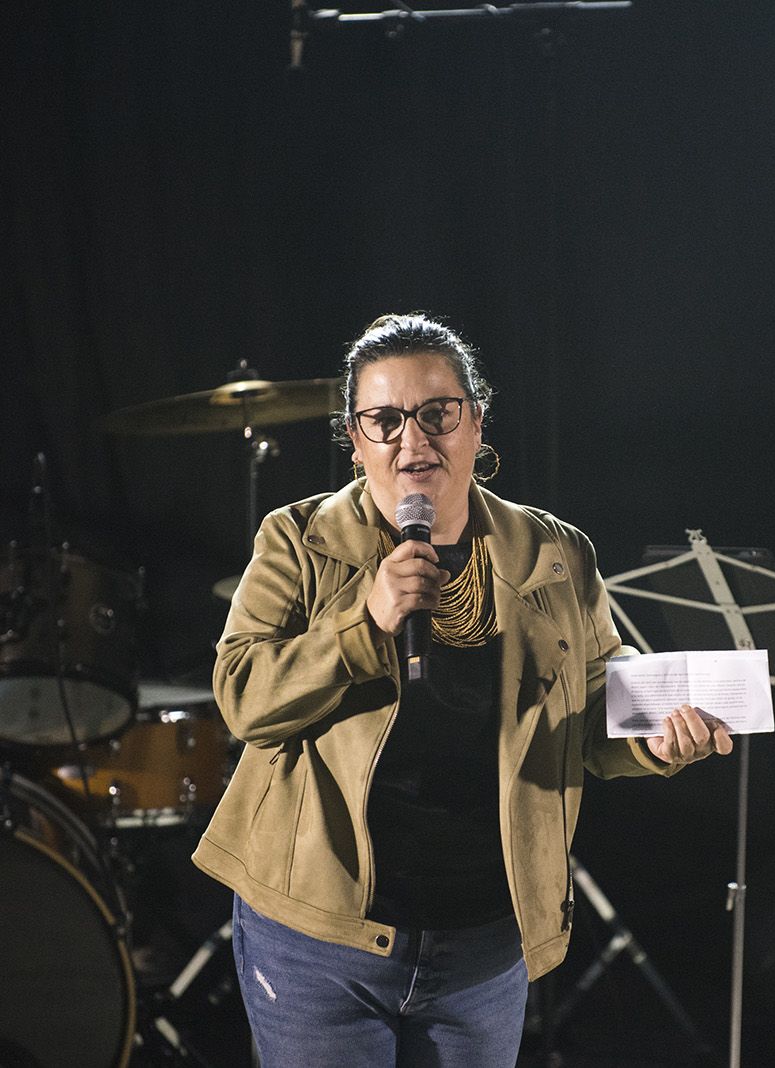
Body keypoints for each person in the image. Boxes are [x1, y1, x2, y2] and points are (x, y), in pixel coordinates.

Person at [193, 313, 733, 1066]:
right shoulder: (297, 539)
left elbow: (594, 705)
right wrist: (365, 623)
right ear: (355, 441)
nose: (413, 441)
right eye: (384, 420)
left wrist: (656, 742)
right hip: (319, 942)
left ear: (476, 423)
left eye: (437, 414)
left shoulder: (554, 551)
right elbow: (243, 695)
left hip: (484, 945)